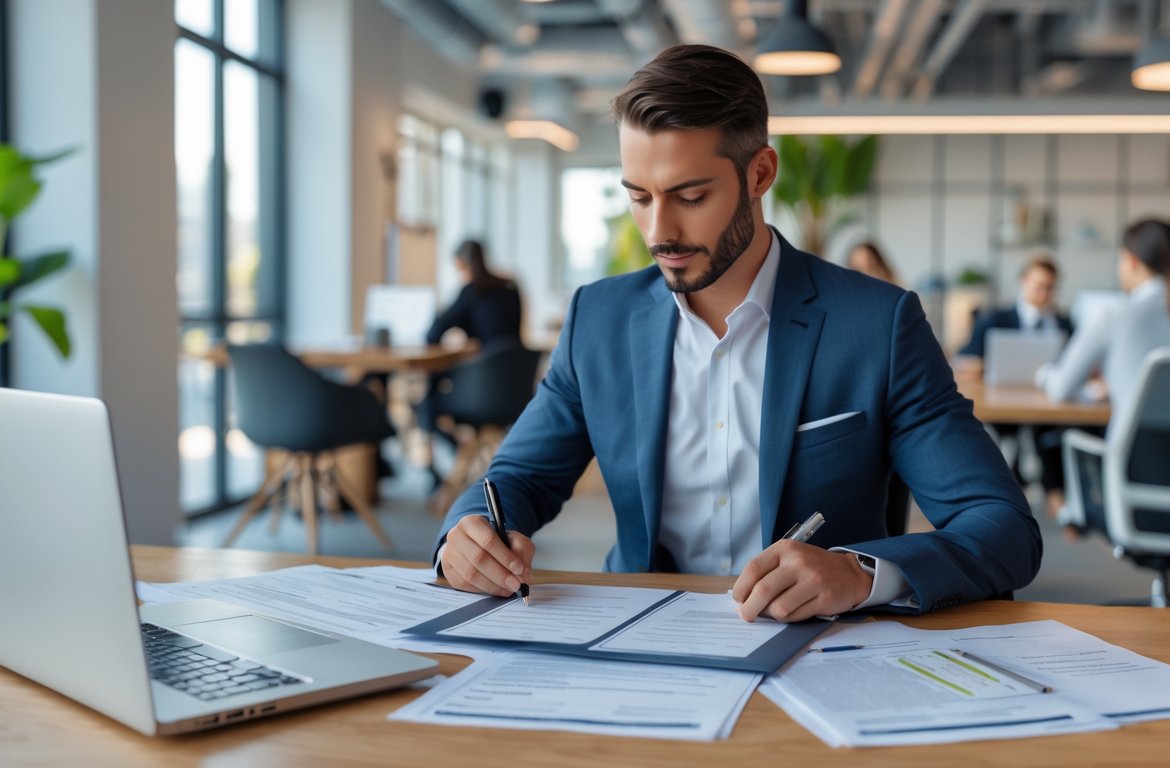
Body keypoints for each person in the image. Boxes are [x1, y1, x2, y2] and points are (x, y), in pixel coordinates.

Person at [435, 44, 1040, 623]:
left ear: (760, 173)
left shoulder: (877, 325)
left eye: (690, 195)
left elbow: (1001, 525)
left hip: (819, 651)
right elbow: (515, 479)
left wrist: (858, 571)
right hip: (643, 637)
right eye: (639, 197)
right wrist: (465, 536)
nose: (659, 231)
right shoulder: (601, 319)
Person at [1037, 219, 1170, 431]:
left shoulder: (1113, 316)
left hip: (1132, 460)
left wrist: (1042, 374)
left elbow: (1061, 389)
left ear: (1131, 261)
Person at [958, 257, 1073, 517]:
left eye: (1050, 287)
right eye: (1038, 285)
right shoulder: (995, 318)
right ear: (1023, 282)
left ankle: (1054, 494)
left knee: (1051, 430)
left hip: (1048, 403)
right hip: (1003, 402)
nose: (1044, 293)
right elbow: (964, 358)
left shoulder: (1064, 322)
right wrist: (982, 365)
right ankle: (1011, 492)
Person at [418, 240, 524, 469]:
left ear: (460, 264)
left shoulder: (471, 292)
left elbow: (433, 333)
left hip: (479, 394)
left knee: (427, 402)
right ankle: (464, 455)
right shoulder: (511, 287)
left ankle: (458, 453)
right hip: (515, 391)